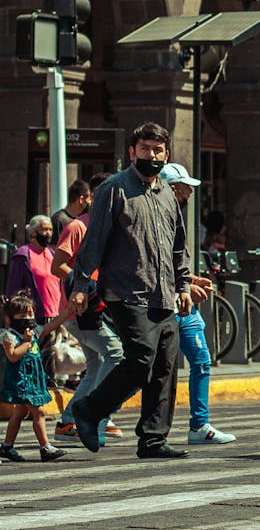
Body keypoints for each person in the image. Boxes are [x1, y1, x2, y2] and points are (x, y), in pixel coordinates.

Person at [70, 122, 193, 459]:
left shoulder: (167, 193)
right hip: (126, 292)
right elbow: (94, 241)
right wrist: (81, 285)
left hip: (164, 293)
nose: (151, 155)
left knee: (165, 367)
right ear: (132, 152)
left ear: (167, 154)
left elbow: (178, 246)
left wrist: (183, 285)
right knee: (141, 361)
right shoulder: (114, 189)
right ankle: (89, 409)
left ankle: (153, 440)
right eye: (144, 149)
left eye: (157, 150)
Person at [160, 162, 236, 445]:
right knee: (141, 368)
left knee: (201, 361)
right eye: (185, 188)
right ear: (172, 189)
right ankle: (94, 416)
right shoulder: (156, 216)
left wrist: (191, 280)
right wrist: (186, 284)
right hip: (163, 303)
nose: (189, 194)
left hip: (184, 303)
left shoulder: (177, 217)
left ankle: (200, 425)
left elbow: (172, 263)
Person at [51, 172, 126, 445]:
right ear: (92, 197)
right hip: (80, 310)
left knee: (94, 367)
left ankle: (68, 421)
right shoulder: (77, 228)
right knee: (116, 355)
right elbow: (56, 266)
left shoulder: (107, 228)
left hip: (98, 310)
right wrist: (84, 288)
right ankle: (95, 415)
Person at [0, 290, 68, 462]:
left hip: (34, 380)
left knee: (20, 413)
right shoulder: (9, 336)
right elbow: (13, 356)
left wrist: (68, 312)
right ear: (10, 318)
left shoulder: (34, 332)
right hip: (22, 381)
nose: (28, 318)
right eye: (22, 314)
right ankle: (45, 448)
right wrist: (26, 342)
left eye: (30, 313)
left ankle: (7, 446)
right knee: (39, 412)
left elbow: (51, 326)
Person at [5, 214, 62, 384]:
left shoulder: (52, 254)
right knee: (35, 357)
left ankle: (47, 389)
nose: (48, 233)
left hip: (55, 313)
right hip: (34, 315)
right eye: (44, 229)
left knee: (51, 357)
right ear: (33, 233)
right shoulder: (23, 255)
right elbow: (14, 288)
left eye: (50, 229)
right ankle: (36, 392)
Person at [50, 179, 90, 244]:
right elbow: (53, 247)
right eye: (89, 199)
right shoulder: (58, 220)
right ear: (81, 200)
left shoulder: (80, 220)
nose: (89, 203)